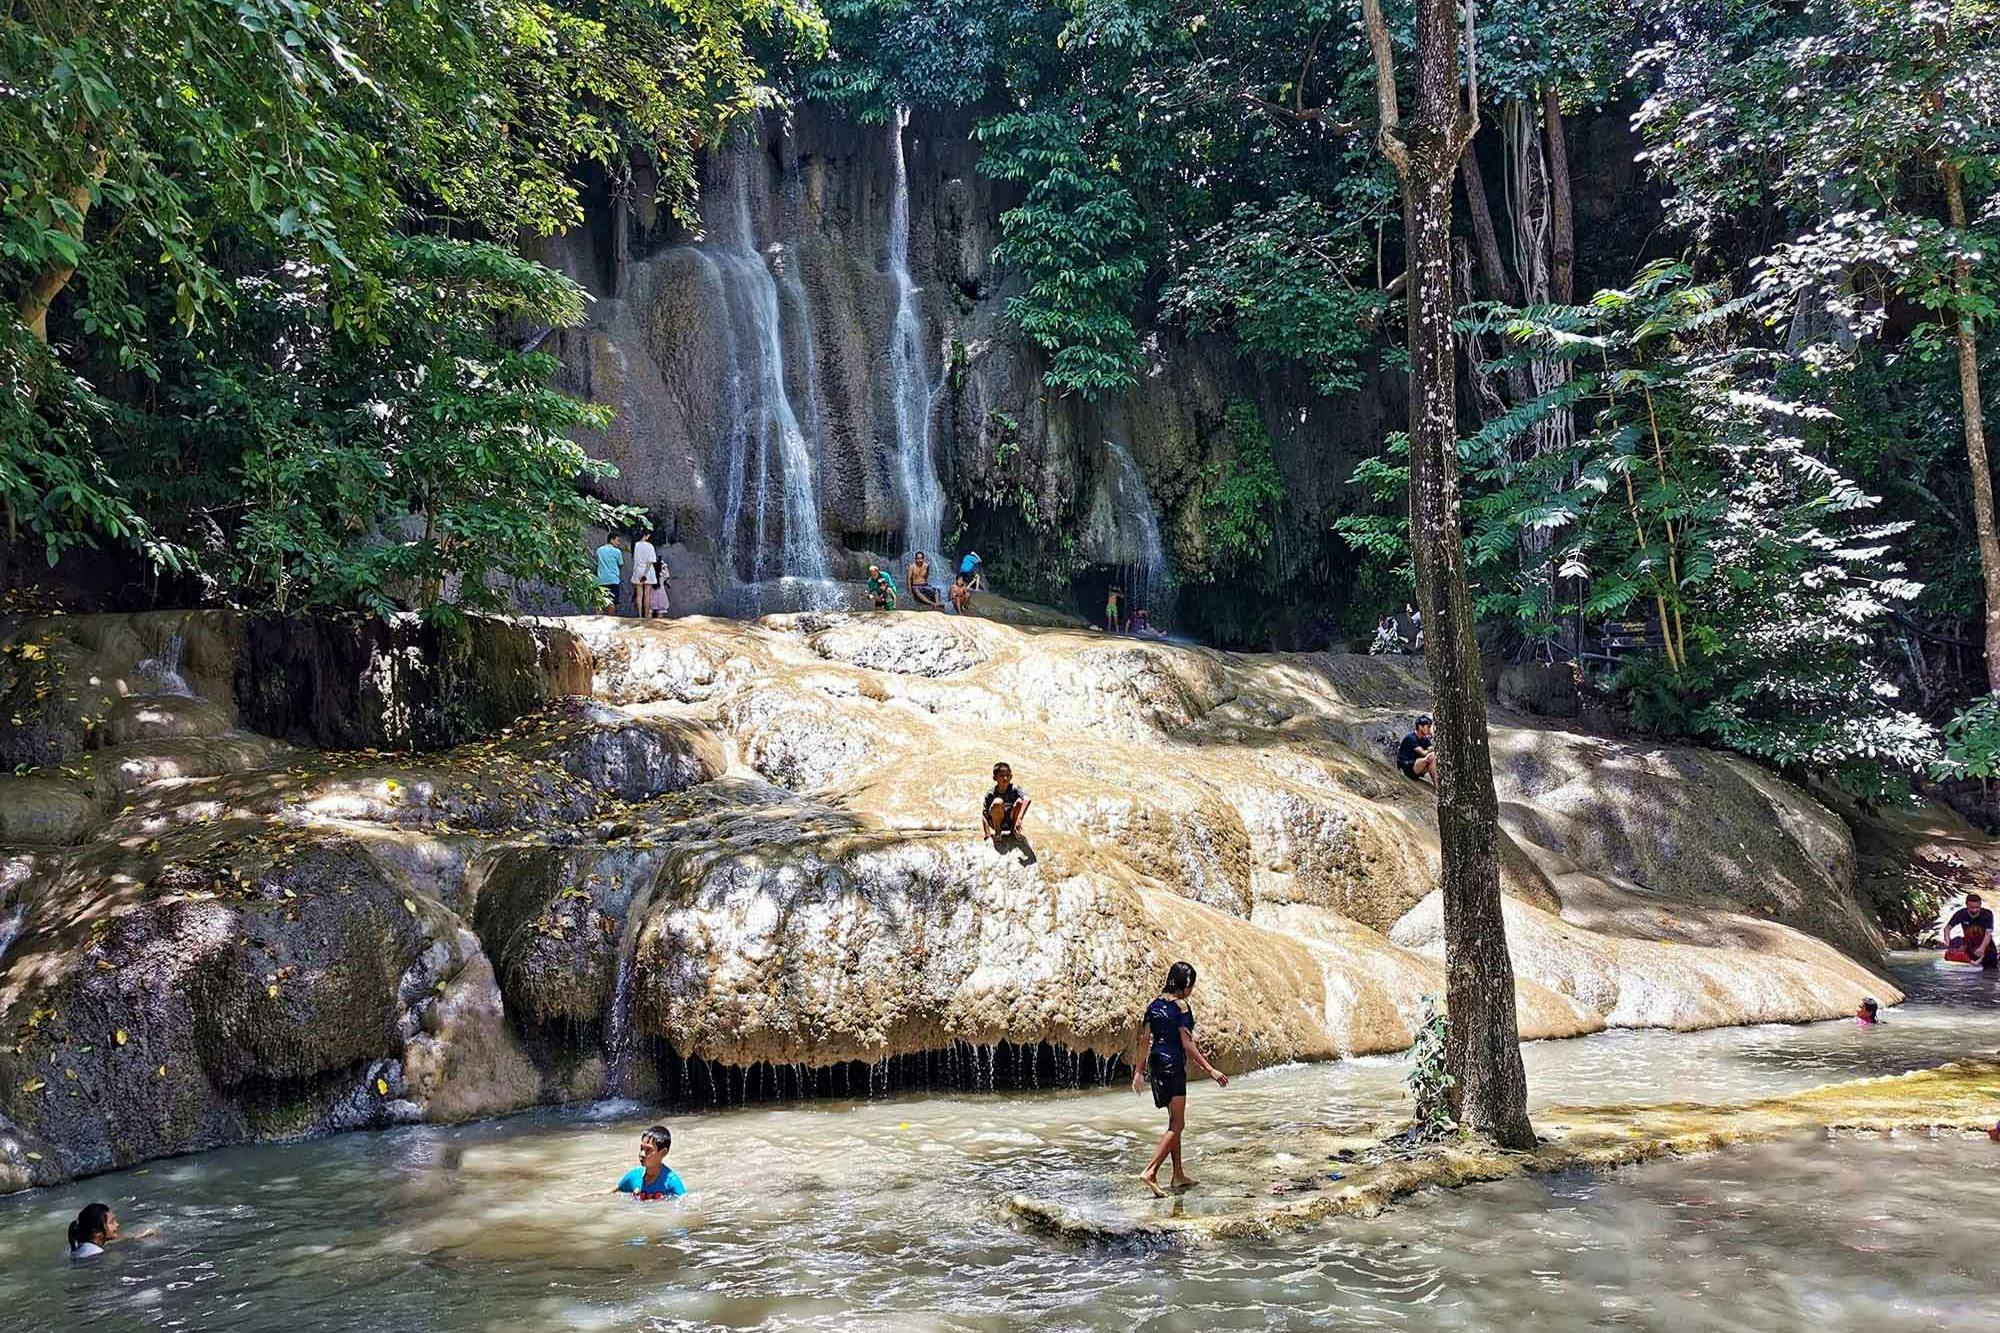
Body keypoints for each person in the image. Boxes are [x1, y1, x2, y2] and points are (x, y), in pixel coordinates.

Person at [1131, 960, 1227, 1197]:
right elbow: (1187, 1044)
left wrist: (1138, 1071)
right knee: (1178, 1124)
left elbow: (1144, 1041)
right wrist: (1210, 1070)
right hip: (1173, 1065)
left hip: (1157, 1064)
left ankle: (1178, 1175)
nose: (1191, 990)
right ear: (1185, 985)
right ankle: (1150, 1172)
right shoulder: (1182, 1007)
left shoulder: (1153, 1006)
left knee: (1174, 1120)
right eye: (1191, 985)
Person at [611, 1124, 686, 1201]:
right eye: (641, 1148)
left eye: (648, 1150)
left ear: (663, 1152)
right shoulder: (634, 1176)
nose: (642, 1154)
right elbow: (610, 1193)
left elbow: (685, 1202)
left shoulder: (672, 1182)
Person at [1943, 892, 1998, 970]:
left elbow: (1988, 933)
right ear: (1966, 905)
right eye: (1972, 907)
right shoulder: (1961, 914)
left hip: (1987, 945)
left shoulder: (1987, 914)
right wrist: (1948, 943)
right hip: (1970, 944)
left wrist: (1982, 948)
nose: (1975, 910)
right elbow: (1947, 928)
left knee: (1991, 969)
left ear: (1980, 905)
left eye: (1977, 907)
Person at [982, 762, 1030, 840]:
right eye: (1001, 776)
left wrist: (1019, 818)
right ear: (995, 778)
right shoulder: (991, 794)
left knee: (1020, 801)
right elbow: (984, 815)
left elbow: (1027, 799)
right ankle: (998, 832)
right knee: (998, 802)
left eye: (1007, 775)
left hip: (1011, 822)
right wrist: (987, 834)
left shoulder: (1015, 789)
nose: (1005, 778)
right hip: (996, 823)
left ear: (1011, 777)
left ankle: (1014, 831)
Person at [632, 531, 663, 620]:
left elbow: (635, 559)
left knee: (639, 595)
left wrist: (640, 572)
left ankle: (639, 615)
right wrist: (645, 573)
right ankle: (646, 616)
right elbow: (650, 561)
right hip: (648, 572)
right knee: (647, 595)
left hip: (638, 570)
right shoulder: (650, 546)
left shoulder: (636, 545)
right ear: (646, 536)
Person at [1397, 714, 1436, 784]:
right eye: (1428, 727)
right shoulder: (1411, 738)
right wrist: (1431, 750)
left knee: (1433, 757)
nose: (1429, 730)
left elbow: (1431, 748)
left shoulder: (1424, 738)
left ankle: (1437, 785)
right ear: (1420, 727)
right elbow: (1423, 752)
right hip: (1407, 766)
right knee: (1430, 757)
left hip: (1416, 766)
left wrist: (1432, 735)